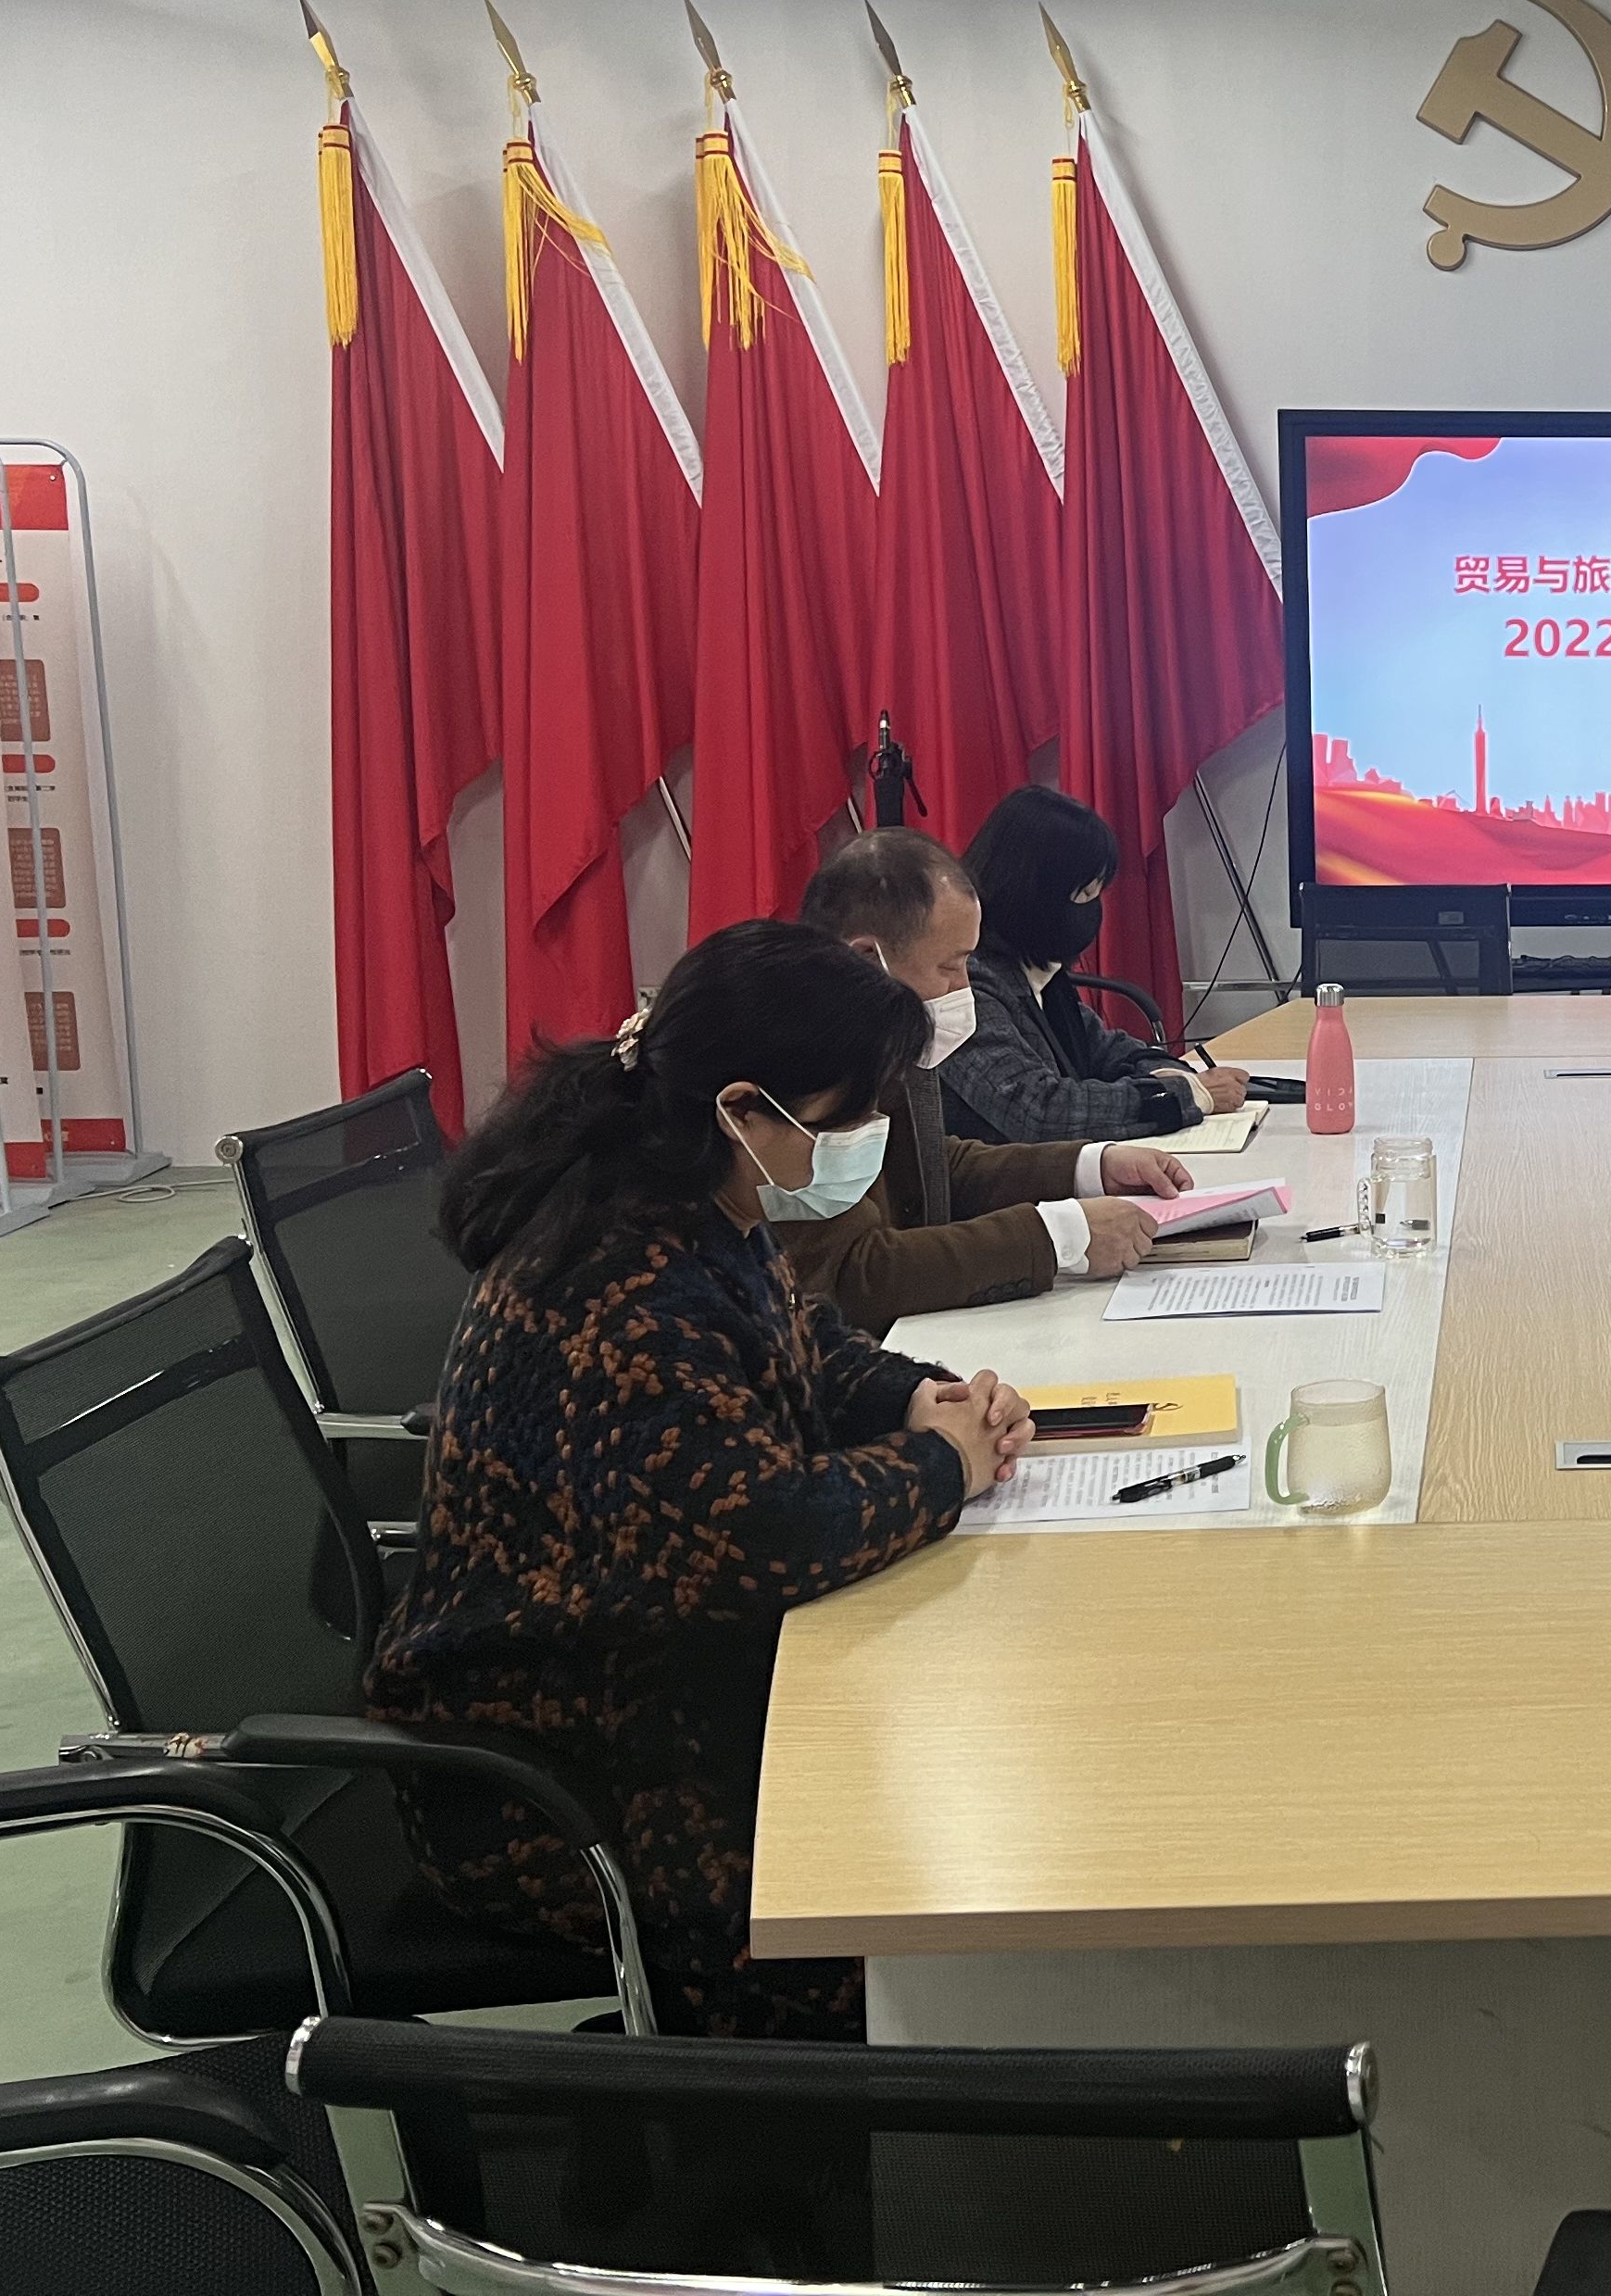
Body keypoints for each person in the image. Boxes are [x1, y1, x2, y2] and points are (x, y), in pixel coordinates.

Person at [368, 918, 1030, 2037]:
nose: (863, 1139)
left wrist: (915, 1396)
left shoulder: (685, 1196)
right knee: (901, 1882)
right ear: (743, 1109)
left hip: (655, 1680)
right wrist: (941, 1464)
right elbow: (766, 1534)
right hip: (562, 1774)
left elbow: (795, 1337)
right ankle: (809, 2108)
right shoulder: (617, 1282)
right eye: (846, 1116)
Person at [783, 829, 1196, 1335]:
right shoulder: (797, 1072)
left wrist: (1089, 1167)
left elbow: (933, 1167)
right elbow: (850, 1276)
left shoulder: (882, 1042)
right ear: (869, 959)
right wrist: (1054, 1237)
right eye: (951, 966)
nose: (965, 987)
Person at [943, 786, 1251, 1143]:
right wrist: (1186, 1095)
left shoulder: (1038, 974)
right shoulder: (965, 986)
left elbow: (1108, 1051)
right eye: (1085, 894)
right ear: (1034, 892)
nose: (1093, 909)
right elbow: (1039, 1112)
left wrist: (1171, 1074)